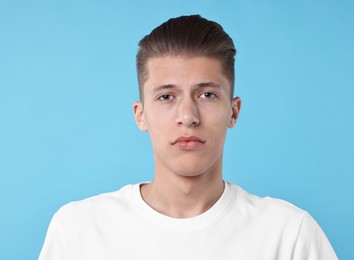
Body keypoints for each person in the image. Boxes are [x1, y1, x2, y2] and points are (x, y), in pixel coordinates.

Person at [39, 15, 337, 260]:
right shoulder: (78, 231)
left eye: (207, 94)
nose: (188, 115)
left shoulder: (289, 235)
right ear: (140, 114)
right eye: (167, 96)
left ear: (233, 112)